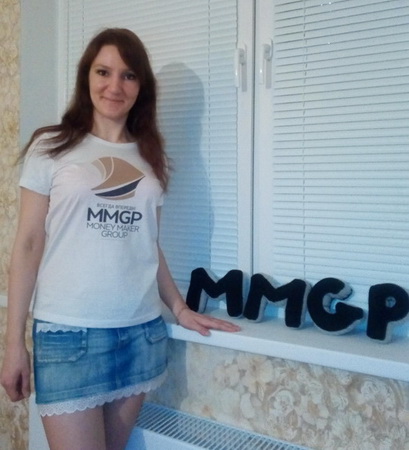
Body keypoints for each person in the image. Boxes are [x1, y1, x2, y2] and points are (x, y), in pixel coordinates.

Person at [0, 28, 240, 450]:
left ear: (141, 86)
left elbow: (148, 244)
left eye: (129, 75)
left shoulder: (151, 157)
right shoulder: (51, 146)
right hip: (68, 336)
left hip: (140, 334)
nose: (115, 86)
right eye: (103, 72)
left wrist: (179, 308)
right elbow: (28, 244)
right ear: (86, 77)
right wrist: (13, 342)